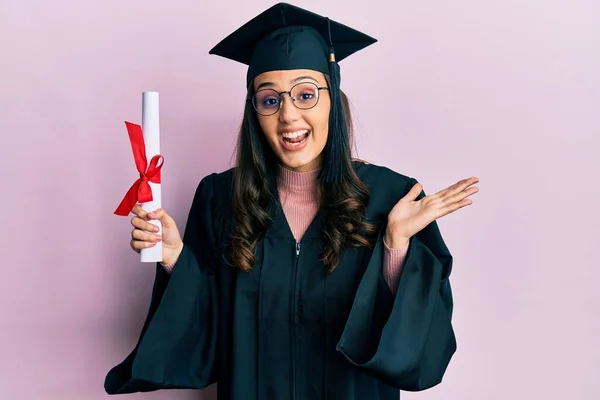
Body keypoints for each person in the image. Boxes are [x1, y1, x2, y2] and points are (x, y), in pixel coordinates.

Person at [104, 3, 479, 400]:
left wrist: (395, 247)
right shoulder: (219, 198)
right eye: (270, 100)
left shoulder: (393, 197)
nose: (288, 115)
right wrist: (177, 261)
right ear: (255, 113)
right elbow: (209, 343)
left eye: (305, 94)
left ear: (333, 99)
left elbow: (419, 352)